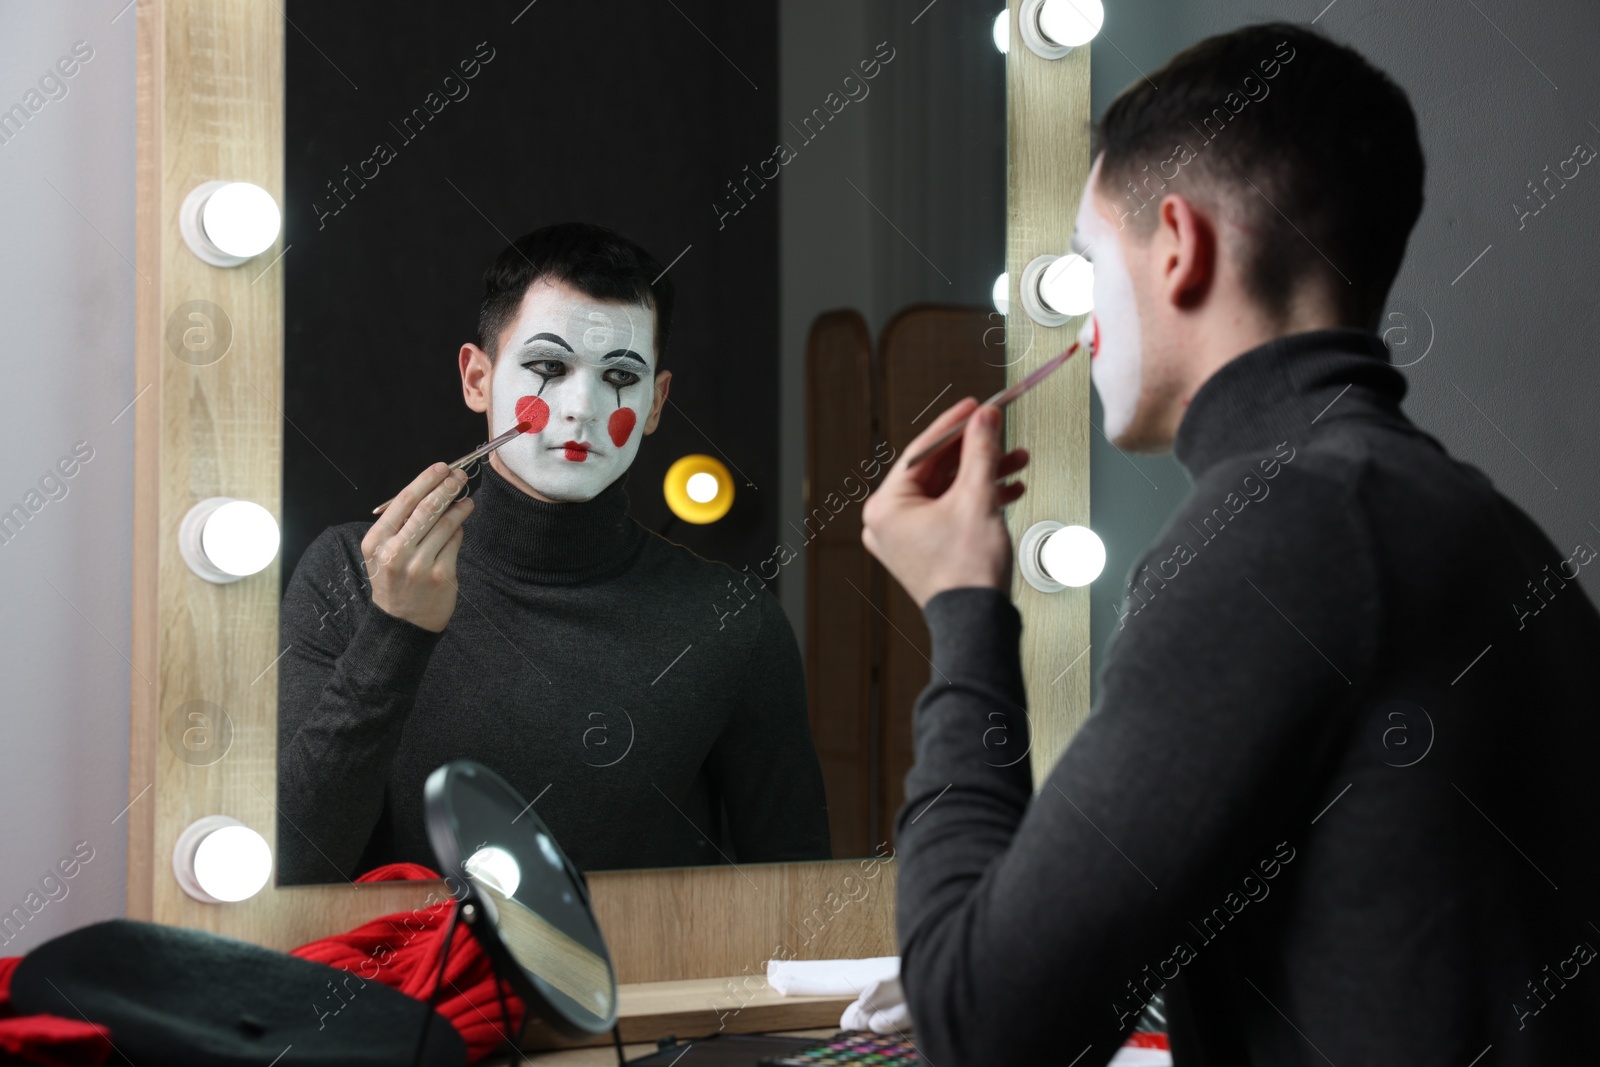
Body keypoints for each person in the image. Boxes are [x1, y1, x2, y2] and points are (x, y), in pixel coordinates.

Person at [861, 22, 1600, 1065]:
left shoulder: (1283, 527)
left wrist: (962, 606)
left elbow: (984, 1027)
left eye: (1084, 264)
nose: (1080, 331)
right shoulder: (1486, 527)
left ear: (1177, 243)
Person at [277, 222, 830, 884]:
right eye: (548, 367)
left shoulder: (733, 622)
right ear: (477, 379)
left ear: (655, 403)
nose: (581, 408)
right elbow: (296, 867)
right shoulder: (348, 575)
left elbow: (802, 900)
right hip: (402, 987)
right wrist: (394, 629)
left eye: (620, 375)